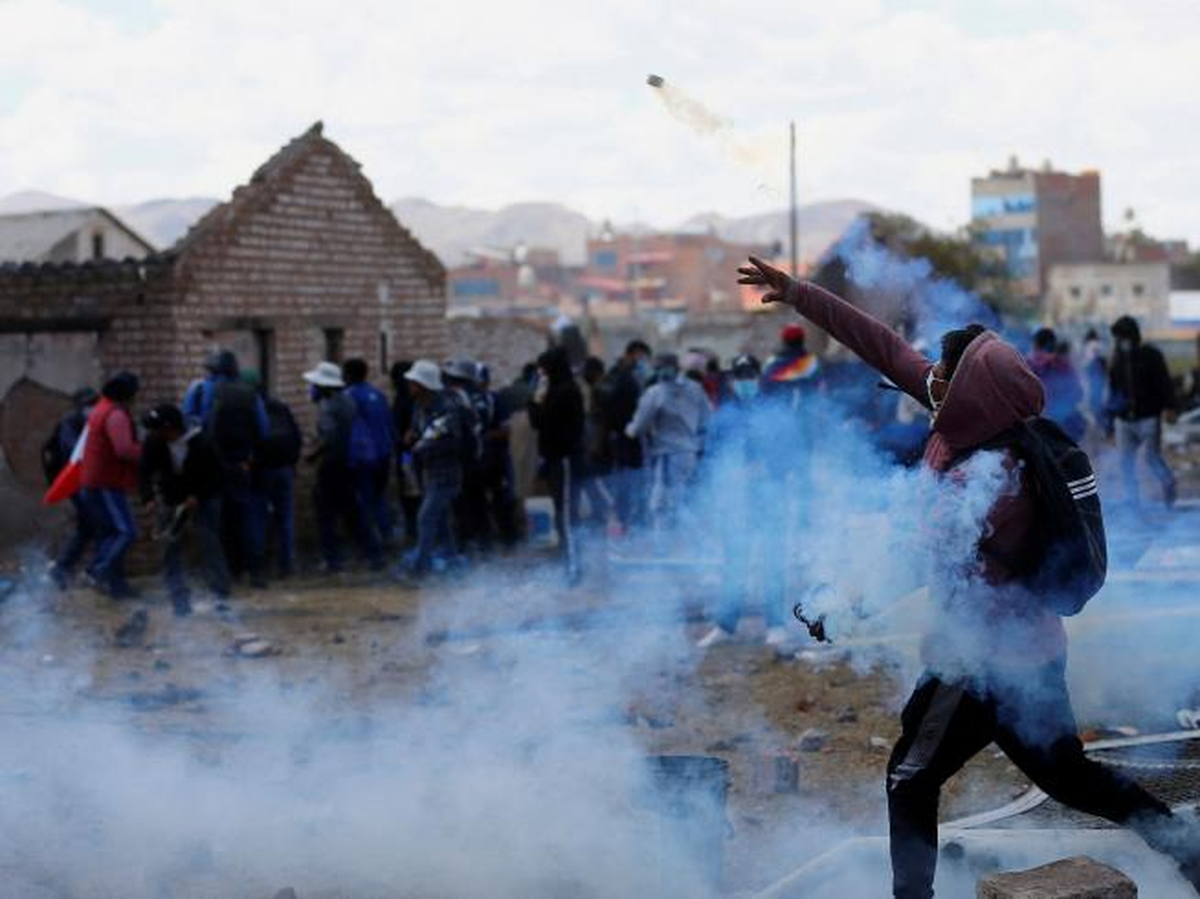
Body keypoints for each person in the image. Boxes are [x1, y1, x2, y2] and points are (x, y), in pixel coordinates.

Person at [737, 255, 1200, 899]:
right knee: (1068, 776)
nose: (930, 376)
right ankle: (1185, 848)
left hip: (978, 665)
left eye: (944, 372)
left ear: (970, 391)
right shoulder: (975, 421)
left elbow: (915, 559)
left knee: (910, 777)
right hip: (1029, 654)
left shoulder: (991, 477)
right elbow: (884, 348)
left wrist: (839, 606)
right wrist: (799, 294)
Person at [696, 354, 790, 648]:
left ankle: (776, 624)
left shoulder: (774, 413)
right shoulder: (723, 416)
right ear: (732, 381)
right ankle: (725, 625)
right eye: (740, 376)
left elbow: (790, 452)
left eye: (750, 375)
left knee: (773, 561)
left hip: (769, 498)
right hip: (736, 500)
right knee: (734, 562)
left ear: (758, 378)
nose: (745, 381)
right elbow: (710, 457)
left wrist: (768, 469)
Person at [140, 404, 228, 615]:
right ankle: (179, 600)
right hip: (172, 497)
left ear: (172, 428)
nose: (156, 434)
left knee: (209, 542)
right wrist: (148, 498)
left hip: (204, 497)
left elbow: (216, 475)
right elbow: (144, 471)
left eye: (160, 429)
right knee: (169, 548)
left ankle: (219, 594)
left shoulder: (203, 442)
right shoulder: (154, 442)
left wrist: (197, 496)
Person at [304, 361, 381, 573]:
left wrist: (312, 454)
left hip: (332, 466)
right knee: (353, 513)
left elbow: (329, 438)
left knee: (325, 515)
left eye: (315, 385)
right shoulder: (347, 401)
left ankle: (333, 560)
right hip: (350, 465)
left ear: (323, 387)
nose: (311, 389)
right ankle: (373, 555)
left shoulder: (328, 407)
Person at [203, 353, 270, 588]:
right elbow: (264, 431)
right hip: (243, 464)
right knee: (247, 517)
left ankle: (227, 573)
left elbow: (202, 425)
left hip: (215, 465)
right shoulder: (250, 395)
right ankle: (256, 572)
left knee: (219, 520)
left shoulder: (208, 390)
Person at [625, 352, 710, 537]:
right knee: (682, 499)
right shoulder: (695, 388)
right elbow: (707, 418)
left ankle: (672, 542)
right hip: (690, 452)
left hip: (667, 455)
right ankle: (686, 539)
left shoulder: (655, 392)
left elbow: (639, 425)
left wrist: (629, 430)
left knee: (663, 503)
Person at [79, 372, 143, 599]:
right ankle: (95, 571)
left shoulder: (102, 409)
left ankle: (117, 587)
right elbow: (124, 450)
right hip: (105, 482)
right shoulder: (116, 415)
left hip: (94, 481)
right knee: (126, 532)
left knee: (110, 535)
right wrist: (146, 451)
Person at [397, 359, 462, 579]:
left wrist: (421, 445)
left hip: (446, 472)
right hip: (429, 470)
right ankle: (453, 560)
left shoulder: (446, 408)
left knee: (426, 517)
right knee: (441, 518)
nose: (409, 386)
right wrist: (412, 435)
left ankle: (421, 567)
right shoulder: (419, 405)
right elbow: (418, 429)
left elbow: (447, 439)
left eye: (413, 382)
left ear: (423, 385)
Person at [528, 346, 586, 583]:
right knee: (562, 512)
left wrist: (536, 400)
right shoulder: (557, 391)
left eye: (544, 369)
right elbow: (538, 423)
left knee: (567, 515)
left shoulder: (566, 392)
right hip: (556, 459)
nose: (541, 374)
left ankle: (573, 567)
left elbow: (542, 421)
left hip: (565, 460)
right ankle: (569, 560)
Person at [1108, 315, 1178, 508]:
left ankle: (1168, 484)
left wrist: (1171, 407)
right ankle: (1132, 500)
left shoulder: (1151, 356)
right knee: (1125, 462)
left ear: (1133, 336)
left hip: (1148, 417)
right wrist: (1109, 423)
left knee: (1152, 457)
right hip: (1124, 420)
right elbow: (1113, 391)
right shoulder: (1117, 359)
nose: (1119, 342)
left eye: (1122, 337)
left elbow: (1164, 383)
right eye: (1117, 338)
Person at [247, 371, 302, 579]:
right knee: (285, 519)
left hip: (262, 470)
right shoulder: (280, 407)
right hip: (285, 469)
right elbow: (296, 437)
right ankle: (287, 565)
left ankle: (259, 567)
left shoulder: (251, 410)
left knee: (259, 518)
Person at [45, 387, 99, 589]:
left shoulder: (86, 421)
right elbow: (73, 451)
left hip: (85, 481)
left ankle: (63, 567)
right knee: (93, 525)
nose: (92, 408)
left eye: (94, 403)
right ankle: (67, 568)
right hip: (75, 481)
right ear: (79, 406)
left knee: (88, 527)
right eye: (89, 404)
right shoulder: (70, 422)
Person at [343, 358, 397, 549]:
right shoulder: (377, 394)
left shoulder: (349, 396)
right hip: (384, 453)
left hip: (365, 457)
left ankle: (371, 546)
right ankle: (387, 535)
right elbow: (389, 423)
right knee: (379, 496)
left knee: (364, 499)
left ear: (348, 375)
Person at [598, 340, 652, 532]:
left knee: (632, 480)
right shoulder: (620, 377)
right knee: (625, 481)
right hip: (624, 437)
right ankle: (625, 520)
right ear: (631, 354)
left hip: (632, 437)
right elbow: (612, 409)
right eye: (641, 357)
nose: (643, 361)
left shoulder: (634, 377)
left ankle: (630, 519)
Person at [442, 359, 489, 552]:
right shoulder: (482, 395)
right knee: (478, 499)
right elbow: (484, 423)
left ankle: (464, 541)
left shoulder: (454, 396)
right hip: (478, 454)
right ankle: (484, 540)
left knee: (460, 501)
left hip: (460, 456)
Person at [1026, 327, 1086, 442]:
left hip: (1055, 428)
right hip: (1042, 430)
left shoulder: (1062, 367)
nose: (1039, 357)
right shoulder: (1027, 367)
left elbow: (1078, 393)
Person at [389, 360, 421, 545]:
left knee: (411, 493)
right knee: (412, 493)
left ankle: (414, 533)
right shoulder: (409, 398)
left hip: (408, 454)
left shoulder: (405, 400)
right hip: (409, 453)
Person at [580, 356, 613, 528]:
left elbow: (601, 421)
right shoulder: (596, 389)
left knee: (593, 480)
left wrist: (596, 444)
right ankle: (600, 512)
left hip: (598, 444)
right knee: (591, 480)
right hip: (595, 442)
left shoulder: (600, 391)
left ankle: (602, 512)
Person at [761, 323, 821, 404]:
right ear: (802, 340)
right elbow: (819, 387)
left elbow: (764, 388)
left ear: (784, 340)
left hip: (777, 408)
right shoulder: (812, 362)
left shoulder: (773, 362)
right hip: (808, 407)